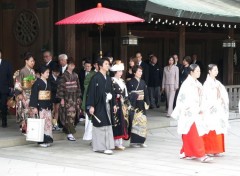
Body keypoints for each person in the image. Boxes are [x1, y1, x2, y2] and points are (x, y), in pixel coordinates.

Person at [171, 64, 212, 163]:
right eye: (197, 71)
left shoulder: (198, 83)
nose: (199, 72)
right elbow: (184, 99)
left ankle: (185, 152)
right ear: (191, 72)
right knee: (194, 133)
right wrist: (194, 108)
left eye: (199, 71)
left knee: (189, 133)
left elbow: (202, 97)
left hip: (196, 111)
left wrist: (202, 108)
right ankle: (201, 154)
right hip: (189, 112)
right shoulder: (187, 84)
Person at [86, 58, 117, 155]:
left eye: (108, 64)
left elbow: (112, 91)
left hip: (107, 104)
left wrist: (114, 104)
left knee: (107, 124)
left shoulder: (108, 78)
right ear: (100, 66)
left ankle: (108, 146)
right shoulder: (95, 78)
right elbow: (91, 93)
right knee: (100, 124)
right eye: (106, 64)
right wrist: (91, 106)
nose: (108, 65)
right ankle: (100, 147)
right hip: (99, 105)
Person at [202, 64, 229, 156]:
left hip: (218, 109)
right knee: (211, 128)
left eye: (217, 70)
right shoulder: (206, 84)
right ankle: (209, 149)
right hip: (211, 109)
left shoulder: (217, 83)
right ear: (209, 71)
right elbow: (206, 97)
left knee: (218, 127)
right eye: (214, 70)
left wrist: (222, 100)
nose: (216, 72)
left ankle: (217, 149)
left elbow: (224, 94)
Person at [56, 58, 81, 141]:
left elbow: (78, 88)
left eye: (73, 65)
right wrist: (62, 99)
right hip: (66, 98)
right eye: (70, 65)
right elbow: (61, 88)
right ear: (68, 65)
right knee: (67, 115)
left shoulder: (76, 75)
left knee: (73, 115)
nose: (72, 66)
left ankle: (68, 130)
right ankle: (70, 133)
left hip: (74, 98)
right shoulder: (63, 76)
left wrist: (78, 98)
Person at [29, 66, 53, 147]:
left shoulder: (47, 82)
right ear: (42, 73)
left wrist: (50, 104)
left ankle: (47, 139)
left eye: (48, 72)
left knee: (48, 123)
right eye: (46, 72)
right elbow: (34, 95)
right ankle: (41, 141)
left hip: (47, 105)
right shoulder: (37, 83)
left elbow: (49, 94)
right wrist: (34, 107)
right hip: (40, 105)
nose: (48, 74)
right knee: (42, 123)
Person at [127, 65, 150, 148]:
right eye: (139, 71)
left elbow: (146, 93)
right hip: (134, 105)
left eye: (141, 71)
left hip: (141, 104)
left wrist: (147, 102)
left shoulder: (143, 82)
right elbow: (128, 94)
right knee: (135, 123)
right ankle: (133, 142)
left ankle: (141, 141)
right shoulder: (130, 82)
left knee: (143, 123)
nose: (141, 73)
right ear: (134, 72)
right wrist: (135, 96)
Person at [14, 53, 35, 134]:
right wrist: (21, 94)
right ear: (26, 61)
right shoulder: (22, 71)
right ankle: (24, 128)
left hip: (32, 94)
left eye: (33, 61)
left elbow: (34, 83)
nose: (33, 63)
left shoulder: (32, 71)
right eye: (31, 61)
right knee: (24, 111)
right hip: (24, 94)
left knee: (31, 111)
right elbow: (18, 83)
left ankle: (30, 129)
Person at [110, 60, 129, 150]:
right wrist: (117, 96)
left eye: (121, 71)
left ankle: (120, 142)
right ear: (115, 72)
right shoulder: (112, 81)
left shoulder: (122, 81)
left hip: (122, 104)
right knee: (116, 122)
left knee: (122, 121)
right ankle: (114, 142)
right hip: (116, 103)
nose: (121, 73)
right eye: (119, 71)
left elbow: (125, 93)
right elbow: (111, 93)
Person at [0, 50, 13, 127]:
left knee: (3, 105)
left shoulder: (6, 64)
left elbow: (10, 76)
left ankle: (4, 122)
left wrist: (11, 87)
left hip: (4, 88)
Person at [49, 65, 61, 131]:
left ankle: (55, 124)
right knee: (52, 111)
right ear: (53, 72)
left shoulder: (59, 78)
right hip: (52, 96)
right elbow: (50, 88)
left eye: (58, 72)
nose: (57, 74)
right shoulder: (49, 78)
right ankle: (51, 124)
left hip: (58, 96)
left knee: (57, 111)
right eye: (56, 72)